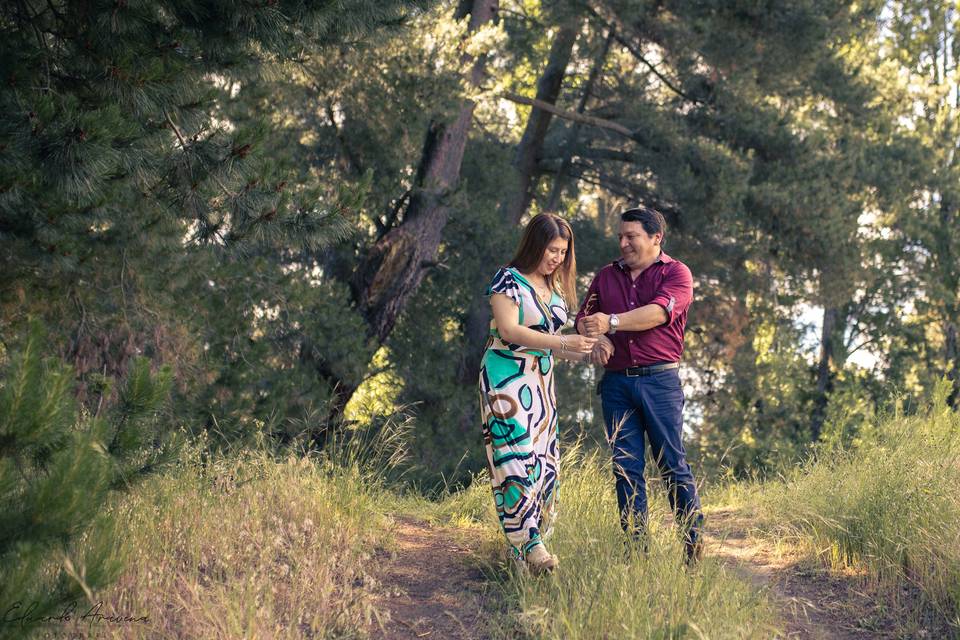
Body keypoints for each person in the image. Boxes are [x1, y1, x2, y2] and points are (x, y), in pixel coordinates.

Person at [576, 206, 704, 563]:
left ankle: (692, 544)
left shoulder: (677, 273)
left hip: (660, 381)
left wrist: (611, 323)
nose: (623, 243)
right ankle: (636, 554)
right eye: (620, 236)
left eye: (631, 236)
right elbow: (584, 318)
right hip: (616, 385)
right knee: (626, 468)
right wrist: (597, 338)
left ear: (655, 238)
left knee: (671, 464)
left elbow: (659, 313)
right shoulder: (606, 276)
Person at [479, 213, 597, 574]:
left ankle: (522, 553)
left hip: (541, 385)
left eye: (563, 252)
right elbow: (511, 331)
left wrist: (585, 349)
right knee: (515, 459)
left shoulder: (555, 289)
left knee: (544, 465)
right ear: (535, 244)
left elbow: (549, 346)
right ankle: (533, 547)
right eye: (552, 250)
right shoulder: (508, 280)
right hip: (505, 379)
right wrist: (563, 340)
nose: (557, 258)